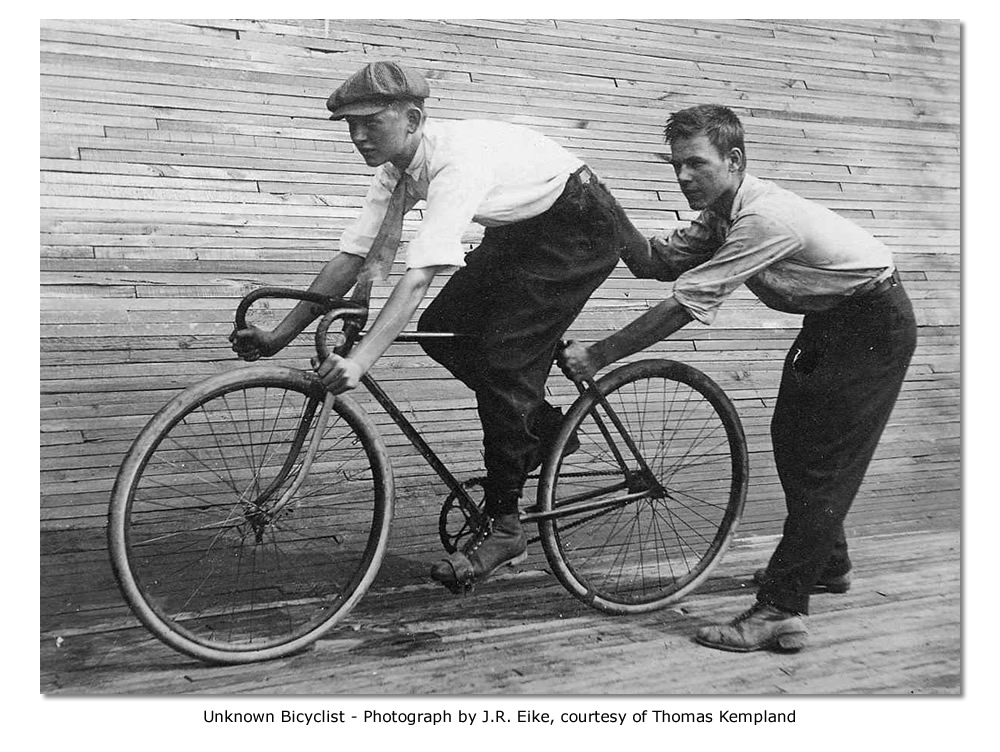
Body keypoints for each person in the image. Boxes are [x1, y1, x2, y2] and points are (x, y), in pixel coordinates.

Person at [230, 60, 644, 594]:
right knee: (443, 327)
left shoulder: (455, 163)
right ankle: (538, 426)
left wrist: (360, 361)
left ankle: (506, 526)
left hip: (578, 225)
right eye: (349, 125)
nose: (358, 137)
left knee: (505, 359)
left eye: (371, 123)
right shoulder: (395, 170)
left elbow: (420, 272)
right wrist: (278, 336)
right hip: (521, 228)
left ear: (412, 118)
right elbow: (352, 255)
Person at [558, 104, 917, 652]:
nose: (683, 178)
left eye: (696, 164)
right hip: (833, 320)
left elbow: (687, 301)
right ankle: (827, 562)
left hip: (873, 323)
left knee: (824, 463)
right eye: (676, 165)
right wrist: (601, 207)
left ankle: (781, 608)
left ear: (735, 160)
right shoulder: (721, 213)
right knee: (792, 439)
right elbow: (655, 262)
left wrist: (602, 353)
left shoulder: (763, 219)